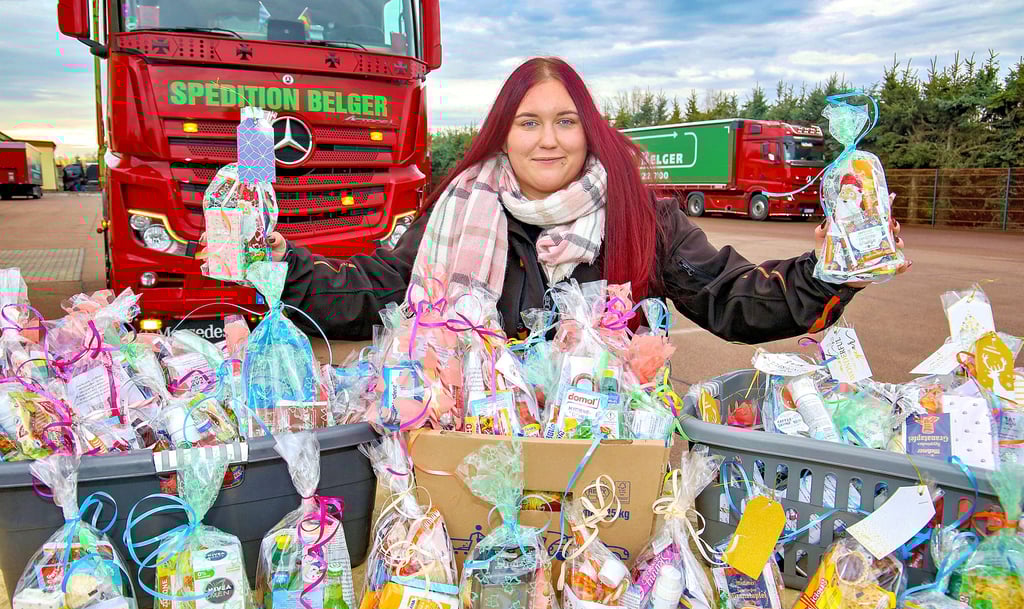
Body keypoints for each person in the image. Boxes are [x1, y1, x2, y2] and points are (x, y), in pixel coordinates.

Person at [270, 57, 909, 343]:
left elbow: (730, 297)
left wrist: (827, 275)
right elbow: (372, 293)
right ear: (502, 133)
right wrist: (275, 265)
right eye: (527, 123)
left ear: (591, 129)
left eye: (566, 121)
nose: (547, 141)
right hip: (473, 448)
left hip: (605, 462)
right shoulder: (459, 206)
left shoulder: (639, 216)